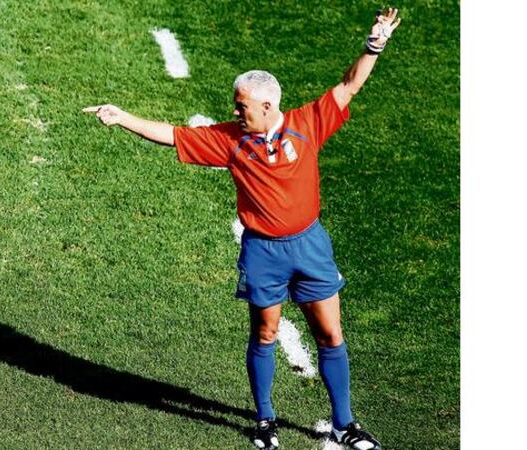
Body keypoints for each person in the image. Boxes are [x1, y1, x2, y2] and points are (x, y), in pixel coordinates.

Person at [83, 7, 401, 450]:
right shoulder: (231, 139)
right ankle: (265, 421)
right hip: (264, 252)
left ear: (267, 105)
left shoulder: (308, 124)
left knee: (330, 332)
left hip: (309, 245)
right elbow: (173, 135)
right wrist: (123, 118)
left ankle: (345, 424)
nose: (235, 110)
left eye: (242, 105)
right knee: (266, 332)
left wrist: (375, 44)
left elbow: (350, 85)